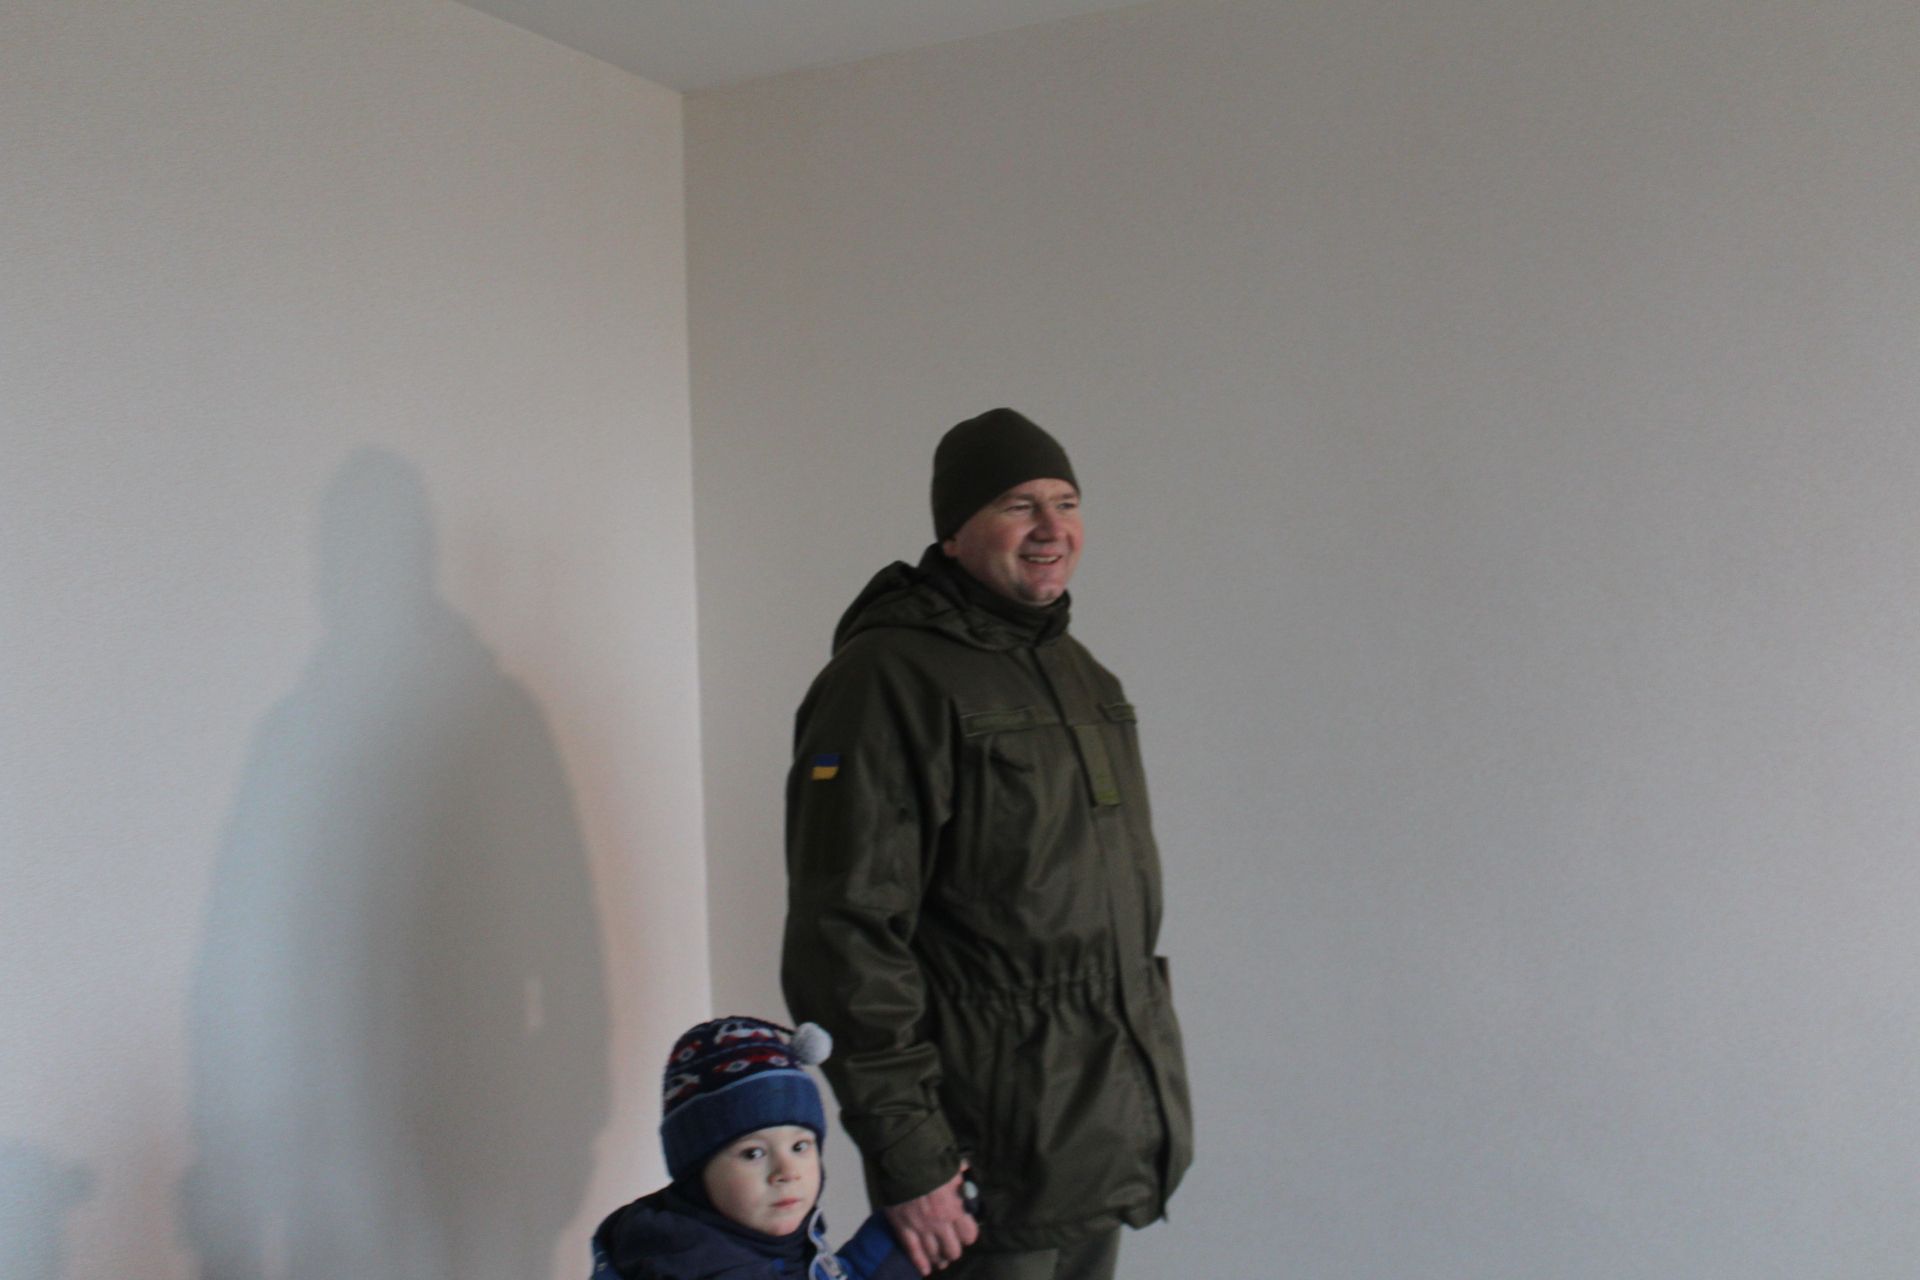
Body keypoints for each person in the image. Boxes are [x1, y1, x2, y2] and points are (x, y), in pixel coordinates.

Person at [782, 409, 1193, 1280]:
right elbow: (843, 934)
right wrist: (910, 1154)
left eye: (1066, 503)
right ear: (954, 533)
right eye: (1018, 504)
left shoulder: (1082, 676)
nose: (1051, 528)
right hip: (984, 1154)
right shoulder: (888, 679)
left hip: (1097, 1133)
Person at [591, 1016, 918, 1280]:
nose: (787, 1172)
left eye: (800, 1146)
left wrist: (905, 1233)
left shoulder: (774, 1245)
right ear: (695, 1173)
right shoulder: (694, 1266)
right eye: (753, 1153)